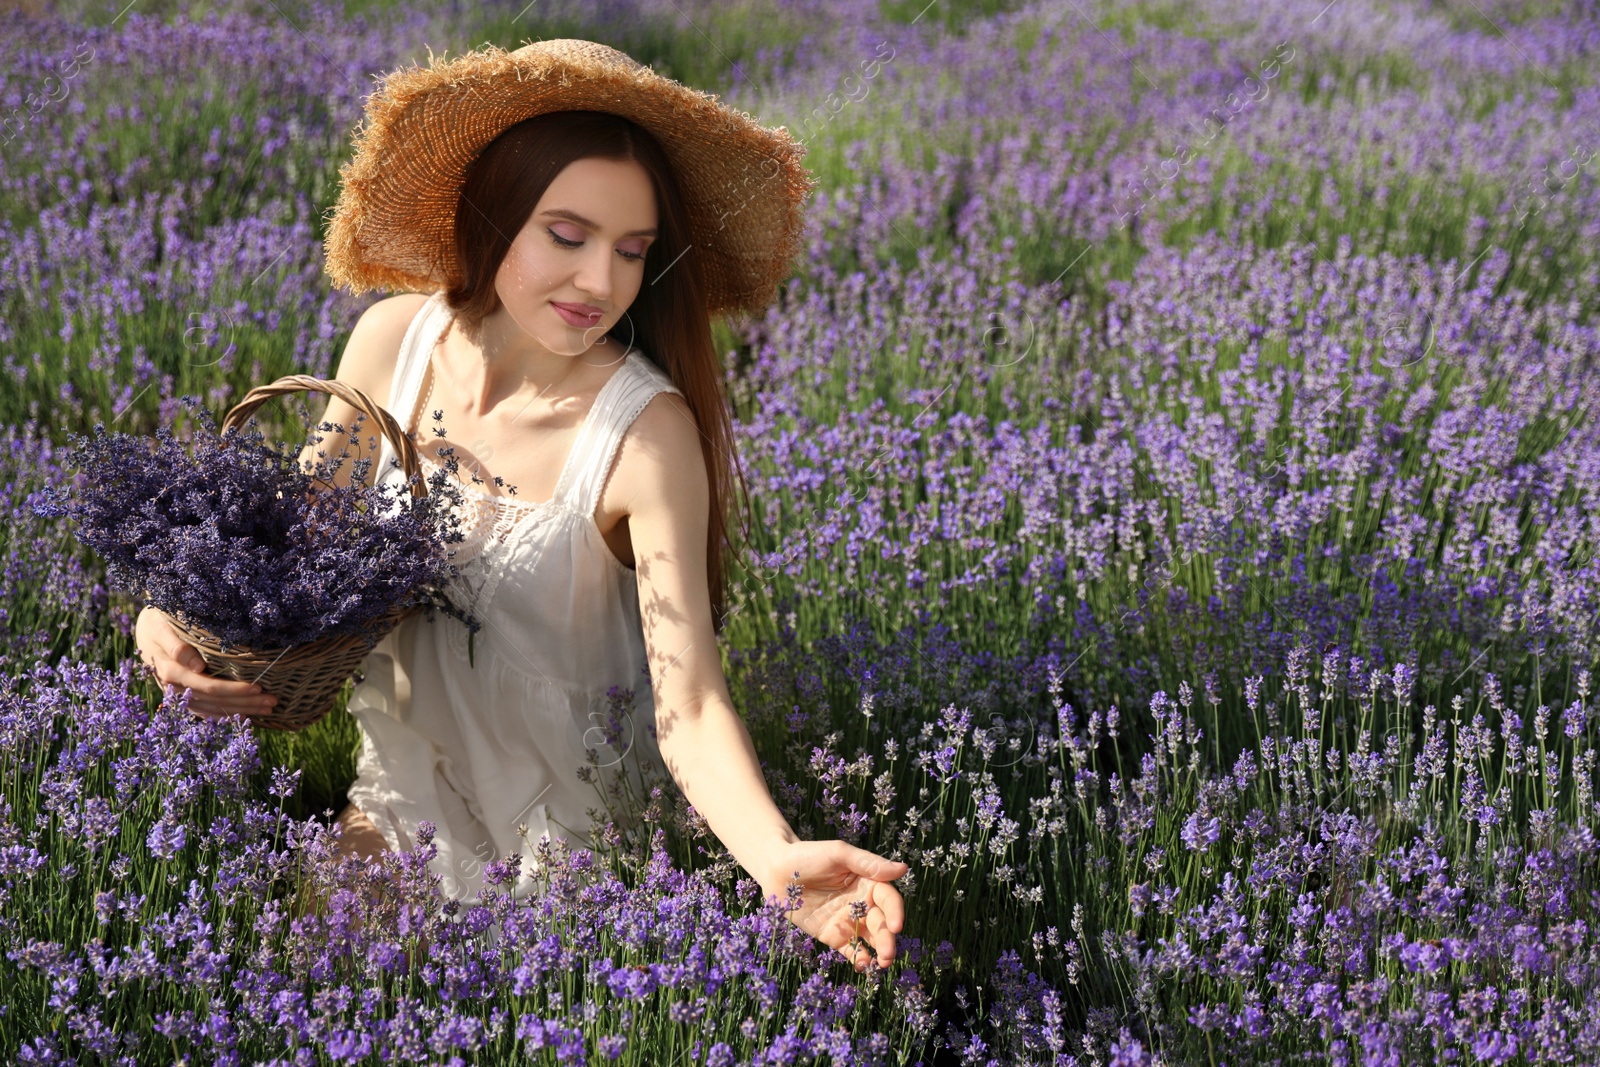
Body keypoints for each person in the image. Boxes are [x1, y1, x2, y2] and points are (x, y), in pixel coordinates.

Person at [134, 39, 906, 973]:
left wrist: (777, 859)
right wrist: (174, 616)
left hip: (572, 844)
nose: (601, 283)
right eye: (567, 236)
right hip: (405, 796)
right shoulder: (390, 346)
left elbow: (691, 704)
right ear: (495, 215)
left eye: (632, 250)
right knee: (288, 988)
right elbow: (299, 544)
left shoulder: (644, 436)